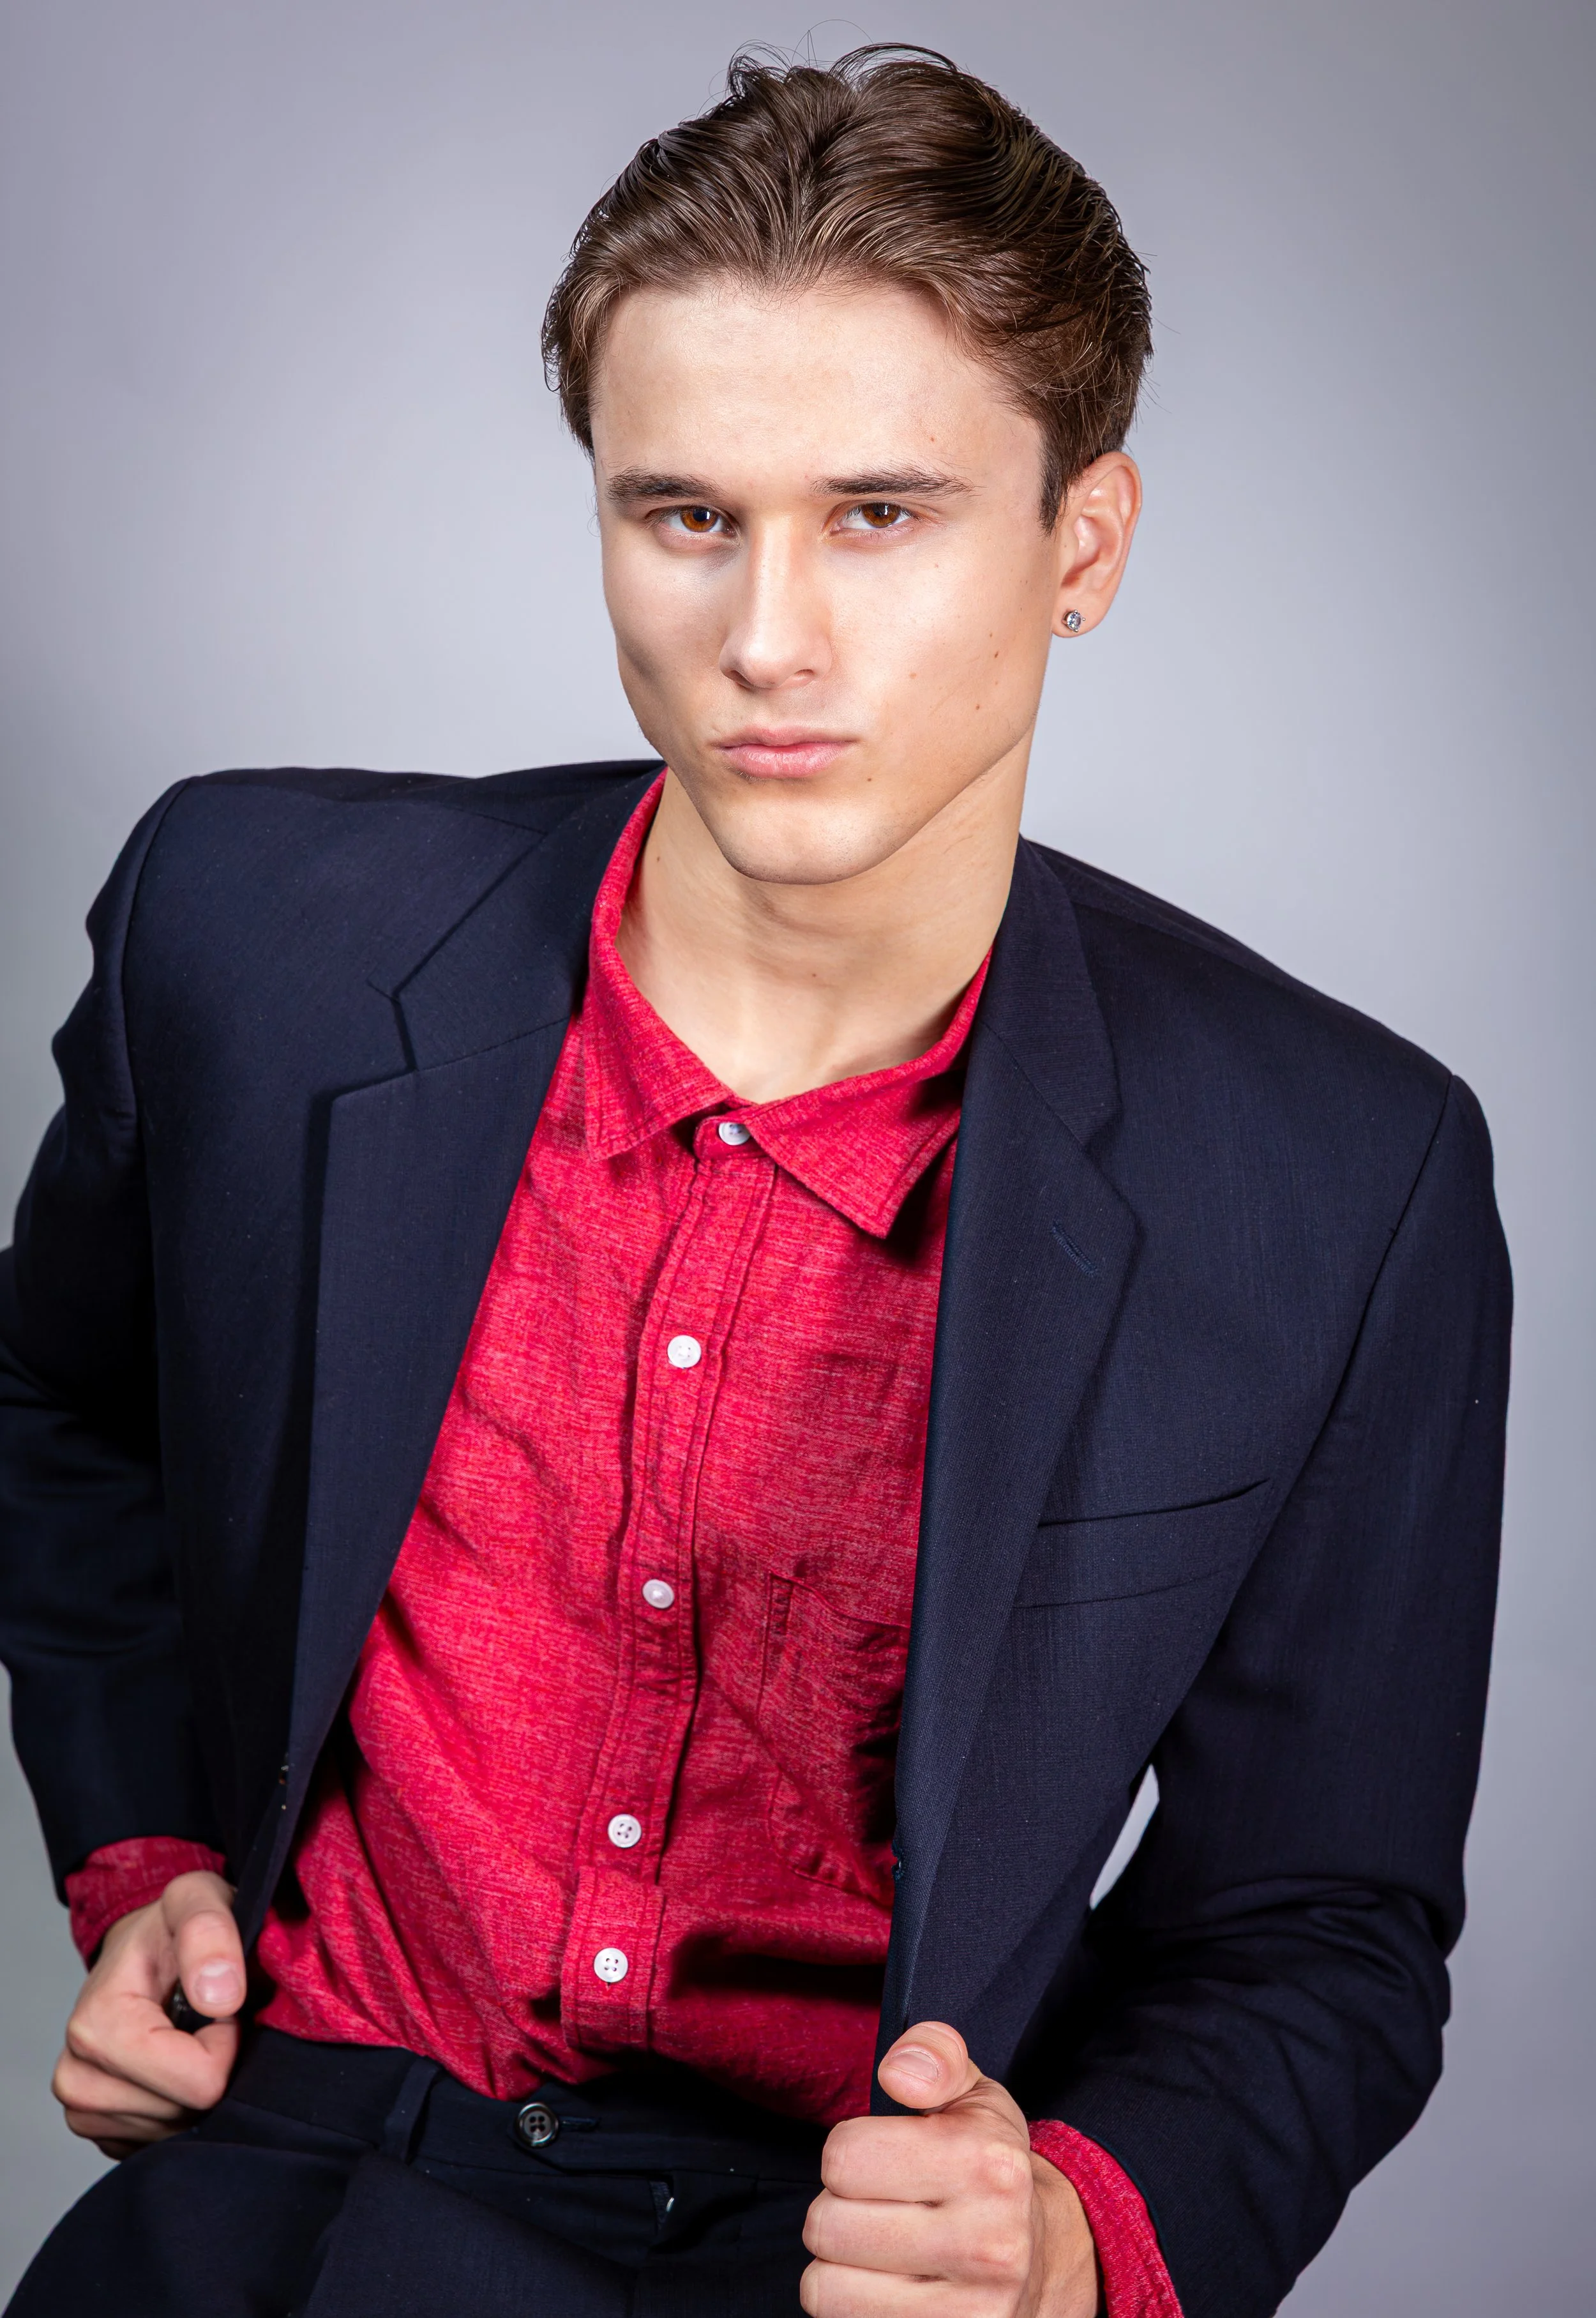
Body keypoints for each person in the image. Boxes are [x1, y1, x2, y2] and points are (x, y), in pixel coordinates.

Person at [0, 44, 1509, 2318]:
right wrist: (140, 1857)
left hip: (825, 2256)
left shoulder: (1334, 1175)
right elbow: (57, 1422)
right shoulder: (250, 926)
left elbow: (1320, 1921)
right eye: (683, 511)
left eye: (877, 514)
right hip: (280, 2176)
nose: (765, 637)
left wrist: (1078, 2236)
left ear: (1079, 547)